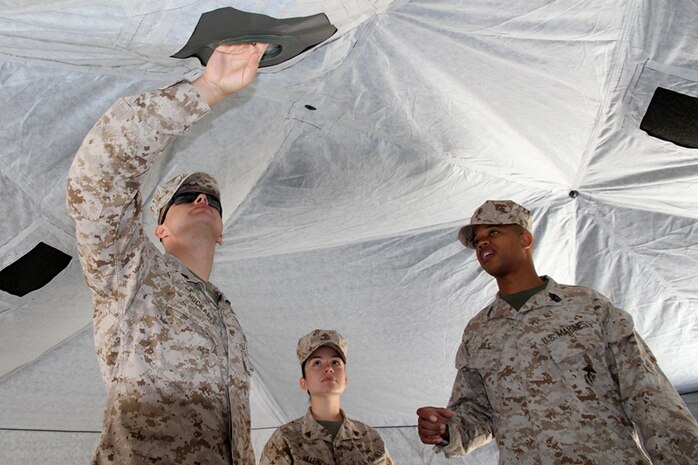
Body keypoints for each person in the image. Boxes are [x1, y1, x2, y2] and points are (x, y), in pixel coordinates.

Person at [66, 42, 268, 464]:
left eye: (212, 200)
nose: (202, 201)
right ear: (159, 229)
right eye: (187, 196)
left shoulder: (226, 316)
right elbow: (101, 171)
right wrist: (207, 89)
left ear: (222, 233)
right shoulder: (131, 275)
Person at [416, 200, 698, 464]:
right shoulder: (479, 331)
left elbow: (648, 394)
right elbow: (478, 414)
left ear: (525, 239)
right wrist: (446, 429)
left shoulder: (588, 307)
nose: (483, 243)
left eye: (493, 232)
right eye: (477, 242)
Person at [260, 329, 394, 464]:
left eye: (335, 362)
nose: (329, 368)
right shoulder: (286, 439)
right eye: (317, 363)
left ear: (345, 381)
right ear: (303, 383)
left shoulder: (370, 438)